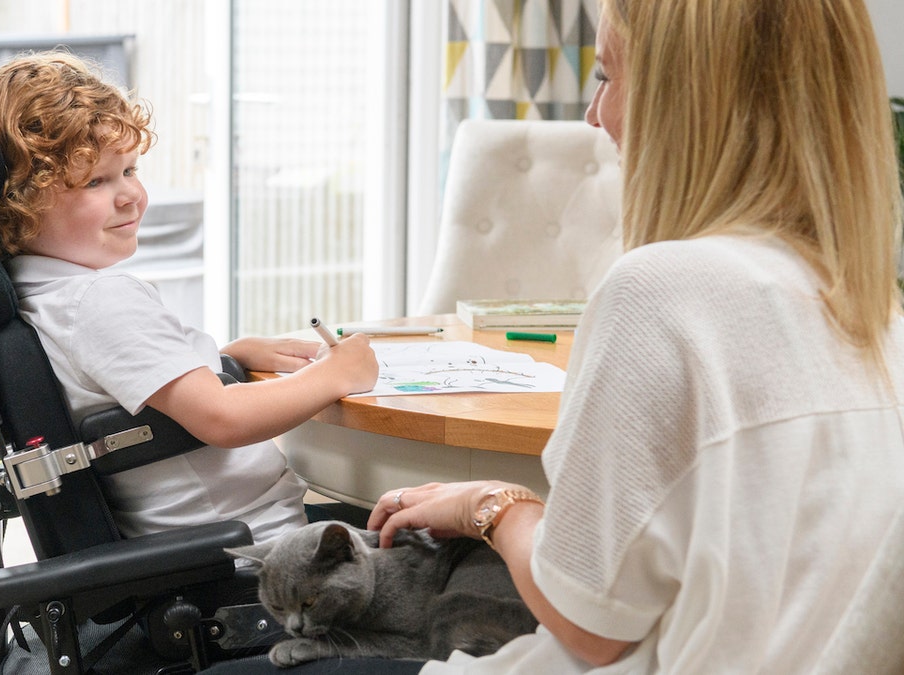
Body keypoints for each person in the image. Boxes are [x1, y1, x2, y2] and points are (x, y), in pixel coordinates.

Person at [201, 0, 904, 673]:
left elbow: (591, 623)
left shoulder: (659, 293)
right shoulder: (878, 314)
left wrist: (495, 508)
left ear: (687, 100)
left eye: (606, 75)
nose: (595, 116)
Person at [0, 51, 379, 544]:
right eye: (96, 181)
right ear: (18, 202)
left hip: (218, 540)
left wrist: (225, 357)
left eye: (129, 170)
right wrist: (336, 373)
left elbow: (117, 386)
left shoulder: (36, 294)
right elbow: (223, 418)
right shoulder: (97, 300)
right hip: (260, 548)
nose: (130, 195)